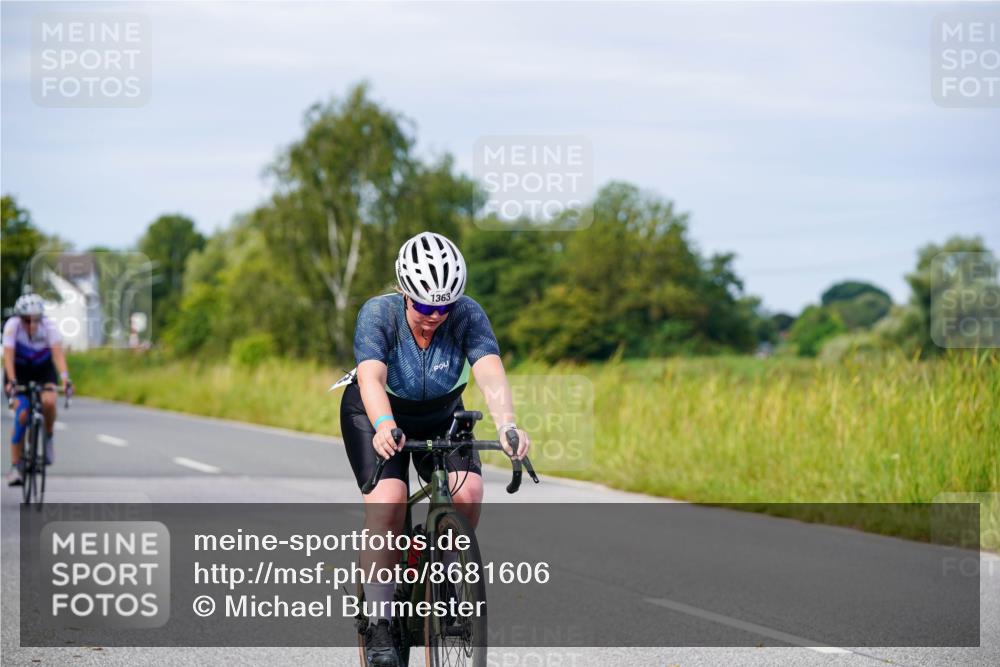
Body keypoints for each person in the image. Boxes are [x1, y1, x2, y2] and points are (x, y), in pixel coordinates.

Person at [340, 231, 530, 667]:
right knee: (388, 504)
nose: (434, 316)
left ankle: (444, 572)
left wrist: (507, 425)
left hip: (441, 411)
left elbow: (490, 372)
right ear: (405, 293)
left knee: (468, 493)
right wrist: (385, 425)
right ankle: (381, 621)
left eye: (443, 306)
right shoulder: (379, 313)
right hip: (376, 411)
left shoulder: (466, 315)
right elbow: (370, 379)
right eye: (425, 306)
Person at [3, 292, 72, 486]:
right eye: (27, 320)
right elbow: (8, 356)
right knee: (22, 414)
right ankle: (16, 466)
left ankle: (48, 437)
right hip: (19, 370)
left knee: (49, 401)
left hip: (43, 369)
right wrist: (12, 380)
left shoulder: (49, 327)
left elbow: (58, 355)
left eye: (36, 319)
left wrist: (65, 378)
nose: (32, 324)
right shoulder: (12, 327)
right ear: (19, 318)